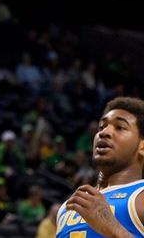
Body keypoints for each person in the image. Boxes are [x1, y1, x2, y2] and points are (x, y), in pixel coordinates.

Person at [57, 97, 144, 237]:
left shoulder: (140, 196)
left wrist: (114, 229)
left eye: (120, 127)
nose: (104, 133)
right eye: (101, 127)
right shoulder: (67, 207)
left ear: (142, 146)